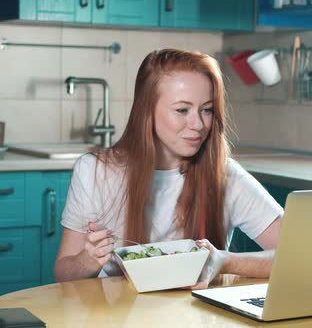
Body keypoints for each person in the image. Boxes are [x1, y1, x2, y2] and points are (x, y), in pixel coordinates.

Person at [54, 48, 284, 288]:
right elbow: (63, 273)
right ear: (147, 111)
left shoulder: (226, 176)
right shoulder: (95, 172)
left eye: (207, 110)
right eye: (182, 110)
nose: (198, 124)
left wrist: (225, 261)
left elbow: (299, 255)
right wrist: (88, 260)